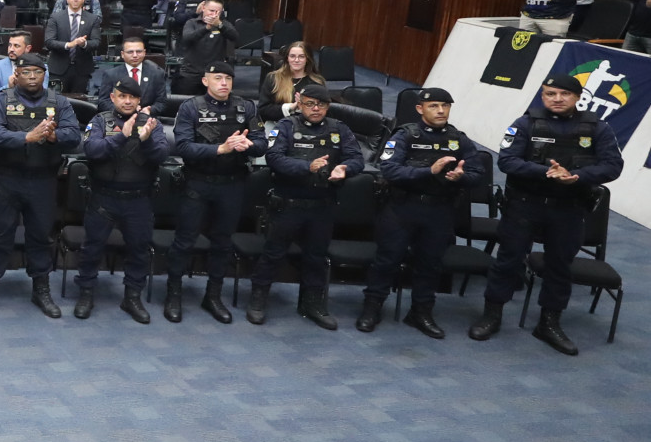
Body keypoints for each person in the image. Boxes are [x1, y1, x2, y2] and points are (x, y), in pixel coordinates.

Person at [470, 73, 623, 355]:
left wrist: (576, 176)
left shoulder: (597, 128)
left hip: (569, 208)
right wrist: (548, 173)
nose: (557, 99)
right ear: (543, 96)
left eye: (564, 94)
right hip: (525, 205)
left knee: (560, 266)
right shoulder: (525, 123)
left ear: (578, 98)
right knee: (508, 260)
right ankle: (492, 315)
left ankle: (549, 323)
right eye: (550, 94)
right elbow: (507, 161)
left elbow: (613, 166)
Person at [357, 87, 490, 339]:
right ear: (420, 109)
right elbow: (389, 170)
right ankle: (371, 308)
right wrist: (429, 171)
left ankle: (421, 312)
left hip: (439, 210)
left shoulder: (458, 139)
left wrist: (461, 177)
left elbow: (477, 174)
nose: (440, 110)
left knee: (430, 264)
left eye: (445, 106)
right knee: (387, 260)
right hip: (402, 208)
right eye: (434, 106)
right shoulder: (405, 135)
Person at [246, 84, 362, 329]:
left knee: (316, 257)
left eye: (321, 104)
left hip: (322, 205)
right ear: (300, 104)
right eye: (310, 103)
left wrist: (345, 168)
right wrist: (306, 167)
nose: (316, 108)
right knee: (273, 254)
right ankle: (258, 299)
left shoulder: (339, 129)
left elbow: (356, 158)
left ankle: (312, 304)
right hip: (287, 204)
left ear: (328, 106)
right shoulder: (285, 127)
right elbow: (274, 158)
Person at [0, 53, 79, 317]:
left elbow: (75, 135)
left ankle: (41, 289)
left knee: (40, 235)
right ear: (16, 75)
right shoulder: (2, 100)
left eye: (38, 72)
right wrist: (26, 137)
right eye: (26, 72)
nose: (32, 77)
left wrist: (54, 136)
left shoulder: (59, 102)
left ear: (45, 75)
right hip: (7, 178)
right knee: (0, 234)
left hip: (43, 180)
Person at [163, 62, 260, 325]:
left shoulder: (246, 107)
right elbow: (182, 146)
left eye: (228, 78)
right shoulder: (190, 107)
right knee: (184, 241)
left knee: (223, 241)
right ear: (206, 81)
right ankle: (174, 294)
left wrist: (249, 144)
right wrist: (221, 149)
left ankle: (213, 296)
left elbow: (263, 143)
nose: (224, 83)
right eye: (218, 78)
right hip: (197, 182)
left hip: (232, 183)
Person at [75, 80, 169, 323]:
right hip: (103, 197)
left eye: (133, 97)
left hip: (138, 199)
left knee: (139, 250)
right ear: (113, 97)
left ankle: (132, 296)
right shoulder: (100, 121)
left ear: (139, 101)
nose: (127, 101)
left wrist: (145, 140)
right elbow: (92, 150)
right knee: (92, 249)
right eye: (122, 96)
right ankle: (86, 293)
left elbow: (161, 156)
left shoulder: (151, 124)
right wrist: (121, 137)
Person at [46, 0, 100, 94]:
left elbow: (96, 42)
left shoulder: (92, 19)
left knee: (80, 105)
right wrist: (68, 45)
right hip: (58, 69)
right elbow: (49, 41)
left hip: (82, 70)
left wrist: (84, 44)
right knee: (56, 104)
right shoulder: (55, 18)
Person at [89, 36, 167, 108]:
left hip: (147, 119)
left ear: (144, 52)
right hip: (119, 120)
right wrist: (124, 111)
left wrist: (149, 110)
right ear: (122, 54)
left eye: (139, 51)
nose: (135, 55)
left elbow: (162, 102)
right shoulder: (111, 74)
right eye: (130, 52)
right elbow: (103, 102)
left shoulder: (156, 73)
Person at [259, 42, 324, 119]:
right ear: (287, 58)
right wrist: (290, 107)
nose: (296, 60)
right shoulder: (273, 78)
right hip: (276, 124)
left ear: (307, 59)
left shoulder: (317, 82)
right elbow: (263, 110)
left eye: (301, 57)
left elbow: (322, 111)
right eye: (292, 56)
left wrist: (304, 107)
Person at [0, 30, 33, 98]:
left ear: (28, 48)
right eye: (10, 45)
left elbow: (43, 94)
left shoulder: (39, 68)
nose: (11, 49)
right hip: (5, 106)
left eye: (16, 46)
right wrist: (9, 87)